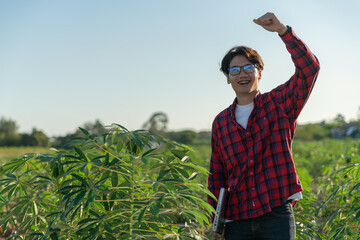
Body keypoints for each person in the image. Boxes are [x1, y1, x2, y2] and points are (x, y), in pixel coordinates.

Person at [208, 12, 320, 240]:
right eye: (234, 70)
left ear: (259, 72)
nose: (242, 74)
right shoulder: (221, 122)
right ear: (228, 78)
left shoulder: (278, 104)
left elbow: (310, 70)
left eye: (248, 68)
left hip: (275, 213)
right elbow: (217, 176)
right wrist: (216, 221)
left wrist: (283, 31)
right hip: (236, 219)